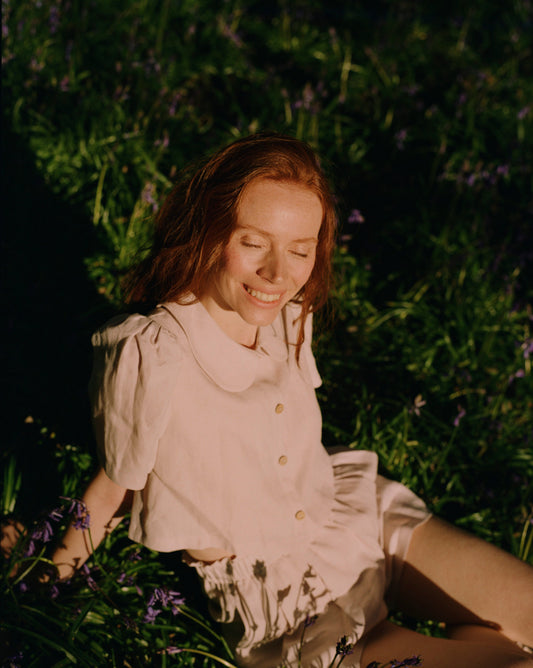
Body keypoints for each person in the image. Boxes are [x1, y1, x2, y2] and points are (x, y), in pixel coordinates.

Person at [51, 133, 532, 667]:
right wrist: (45, 580)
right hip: (291, 608)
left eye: (300, 250)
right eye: (254, 243)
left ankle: (486, 645)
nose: (278, 275)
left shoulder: (288, 316)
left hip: (359, 526)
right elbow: (117, 484)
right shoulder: (156, 352)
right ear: (206, 230)